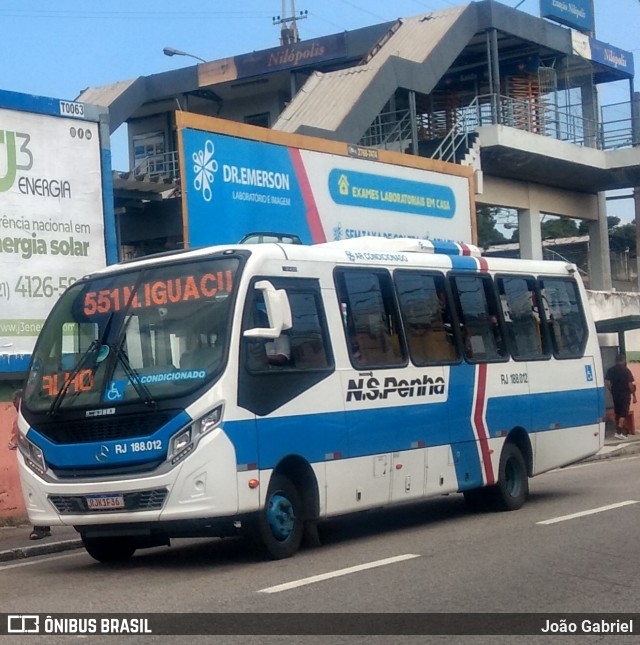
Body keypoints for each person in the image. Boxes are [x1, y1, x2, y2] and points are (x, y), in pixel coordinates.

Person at [6, 389, 51, 540]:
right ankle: (41, 526)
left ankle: (42, 527)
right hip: (34, 460)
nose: (17, 409)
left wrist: (13, 443)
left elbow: (14, 441)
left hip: (37, 460)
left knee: (38, 491)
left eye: (17, 405)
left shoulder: (27, 416)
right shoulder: (28, 415)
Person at [605, 354, 637, 440]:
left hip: (615, 394)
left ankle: (624, 431)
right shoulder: (626, 371)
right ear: (623, 360)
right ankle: (618, 432)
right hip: (625, 394)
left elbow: (607, 382)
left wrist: (611, 389)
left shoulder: (610, 370)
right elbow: (630, 384)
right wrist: (634, 395)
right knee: (623, 413)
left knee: (618, 413)